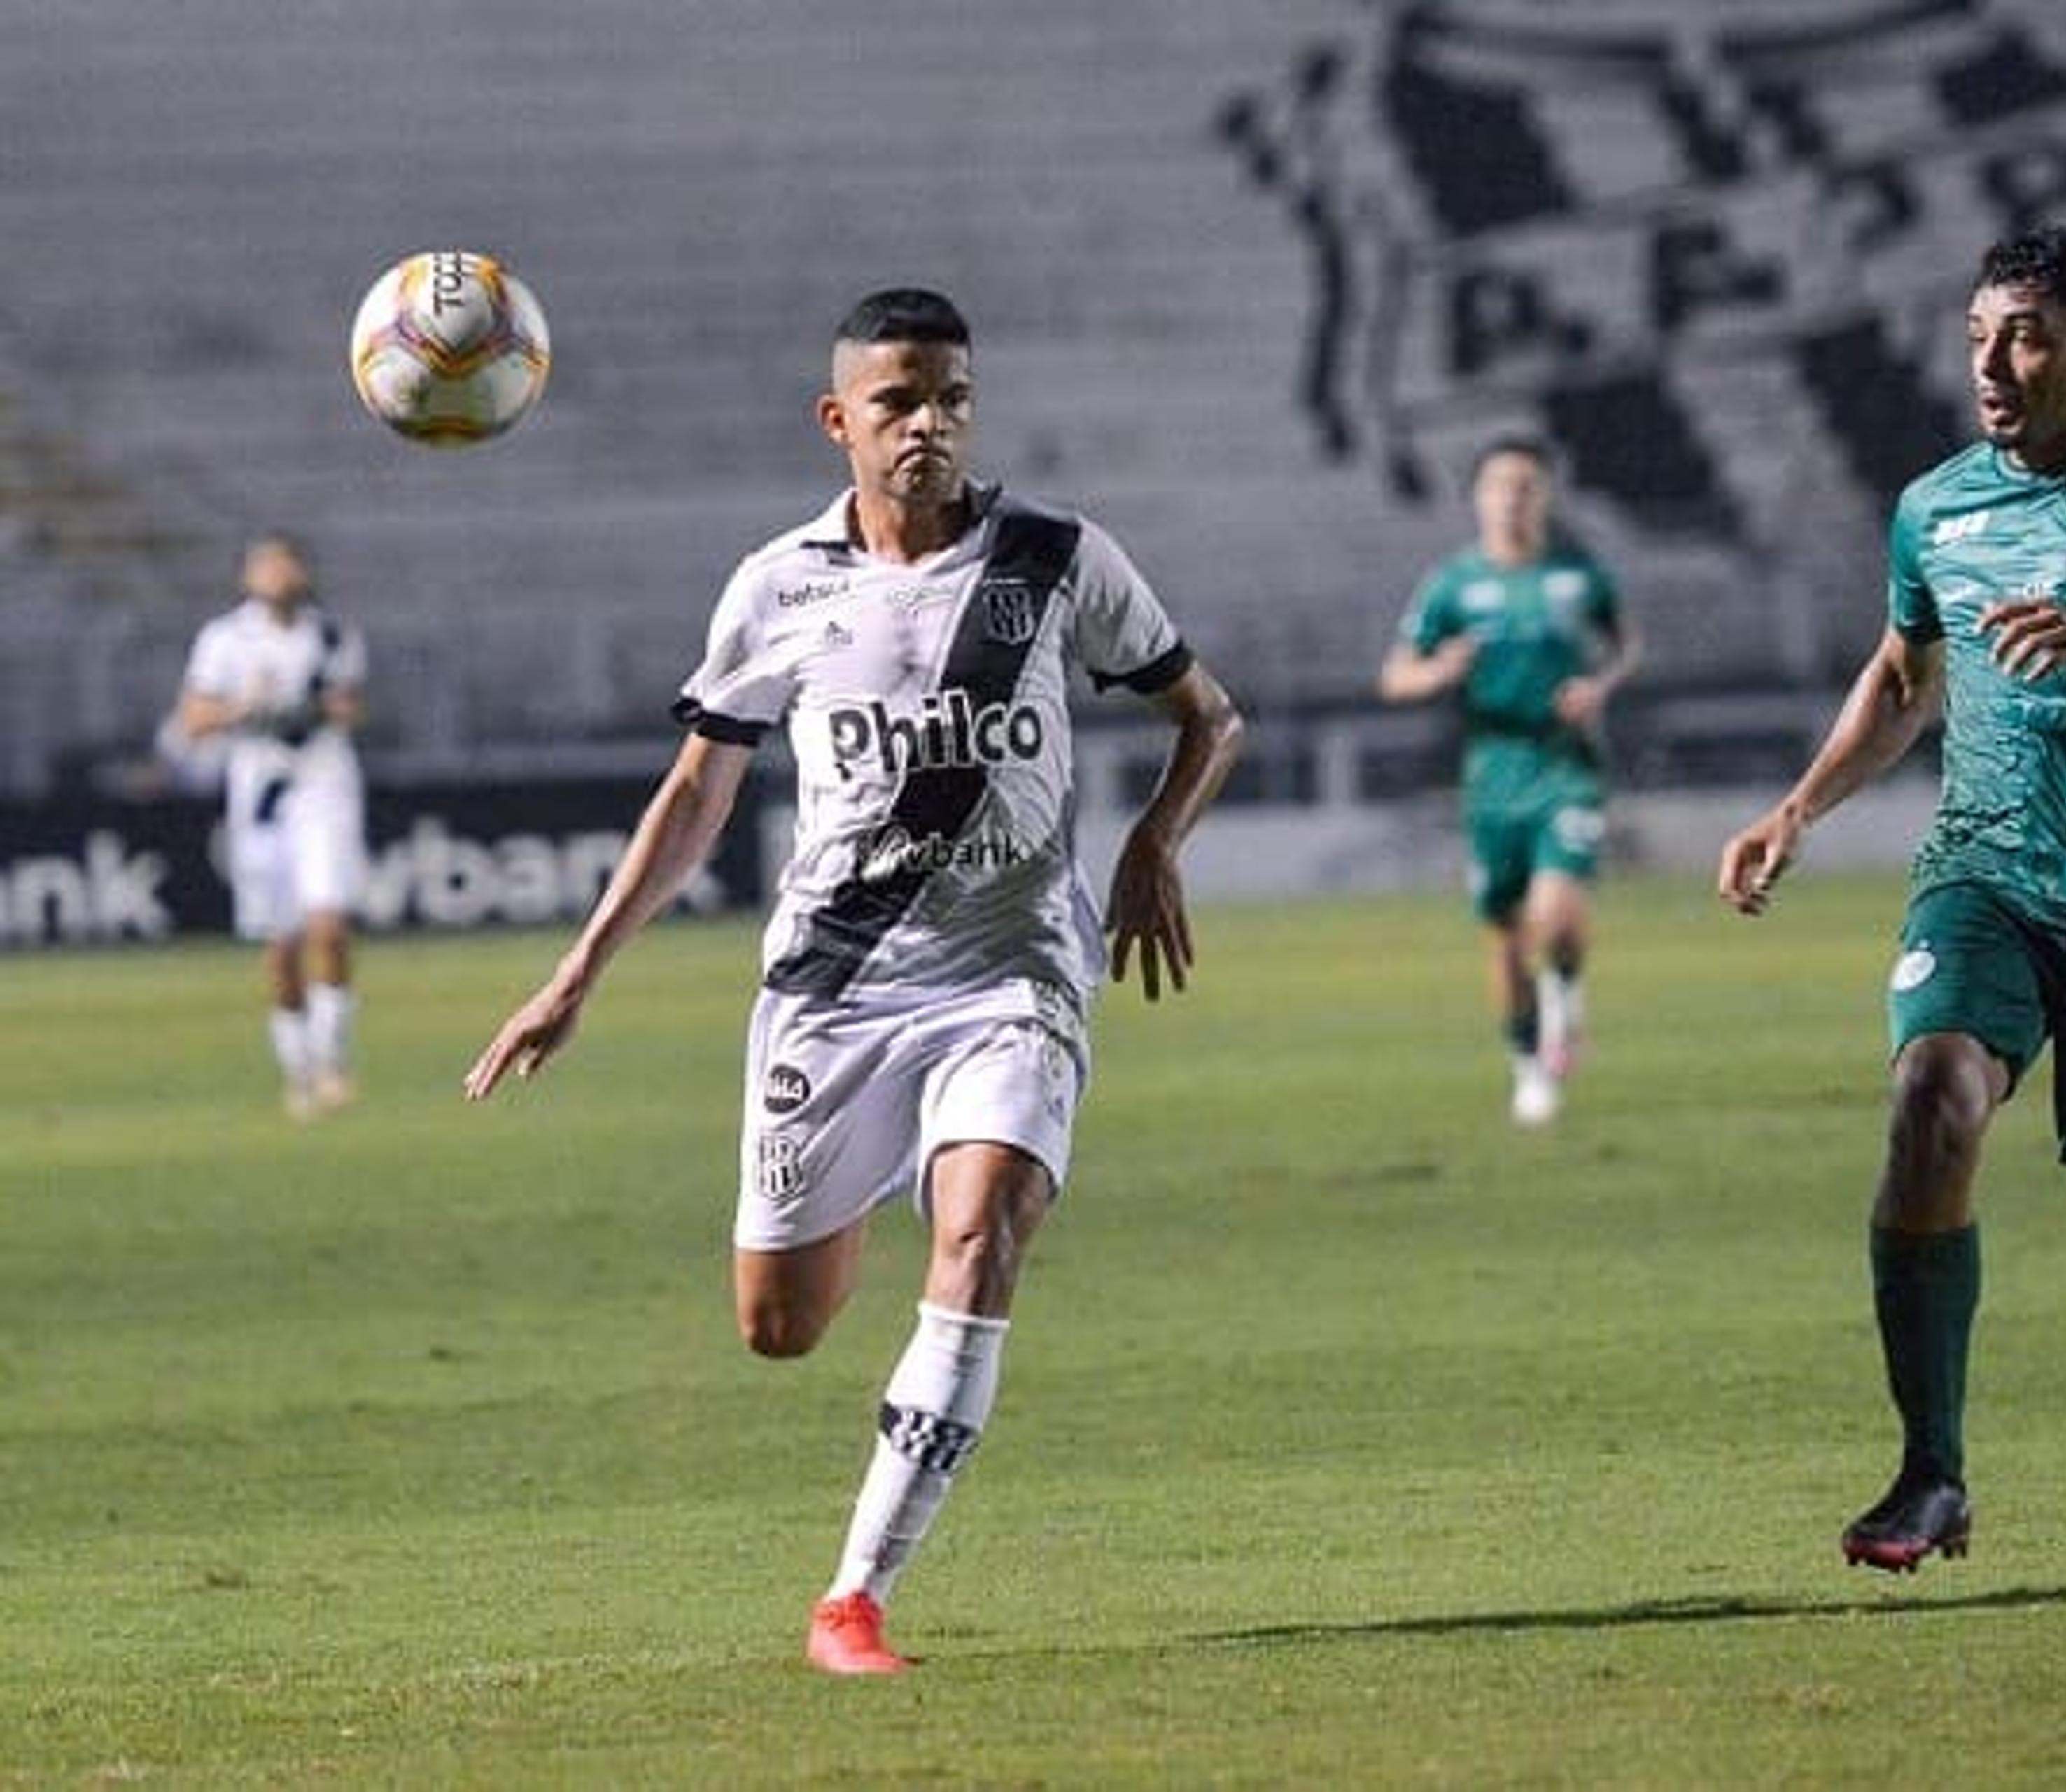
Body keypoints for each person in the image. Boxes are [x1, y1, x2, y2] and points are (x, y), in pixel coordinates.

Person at [461, 288, 1244, 1674]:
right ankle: (890, 1170)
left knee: (987, 1222)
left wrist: (1154, 842)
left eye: (950, 397)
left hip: (1015, 974)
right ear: (841, 421)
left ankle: (853, 1596)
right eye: (898, 402)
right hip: (835, 991)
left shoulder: (1055, 558)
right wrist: (576, 976)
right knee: (779, 1325)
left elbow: (1209, 715)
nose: (929, 423)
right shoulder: (779, 585)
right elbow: (697, 793)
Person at [1716, 226, 2066, 1576]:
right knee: (1931, 1097)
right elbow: (1908, 675)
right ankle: (1933, 1474)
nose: (1993, 363)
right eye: (1978, 335)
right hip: (1984, 872)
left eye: (2025, 336)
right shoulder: (1935, 506)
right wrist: (1797, 808)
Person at [1378, 435, 1638, 1127]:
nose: (1513, 497)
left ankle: (1568, 993)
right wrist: (1441, 671)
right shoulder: (1452, 584)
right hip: (1491, 774)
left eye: (1527, 484)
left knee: (1555, 913)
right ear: (1478, 498)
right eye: (1500, 485)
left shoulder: (1579, 575)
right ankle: (1528, 1064)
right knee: (1507, 939)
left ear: (1546, 495)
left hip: (1567, 765)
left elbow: (1625, 644)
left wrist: (1600, 685)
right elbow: (1396, 675)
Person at [167, 532, 370, 1120]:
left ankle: (333, 1059)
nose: (279, 573)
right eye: (267, 563)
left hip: (323, 787)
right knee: (280, 944)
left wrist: (310, 708)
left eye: (287, 562)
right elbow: (194, 719)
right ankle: (299, 1068)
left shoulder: (331, 634)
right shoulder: (225, 639)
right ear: (247, 577)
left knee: (328, 925)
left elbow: (348, 707)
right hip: (260, 798)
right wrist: (244, 707)